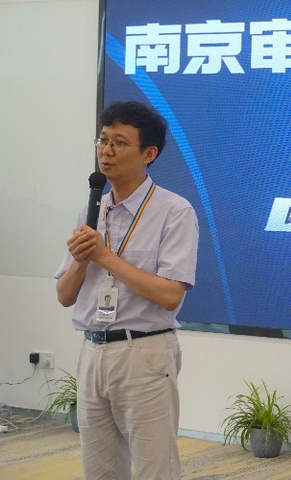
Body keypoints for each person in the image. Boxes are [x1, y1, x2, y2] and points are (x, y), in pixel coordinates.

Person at [55, 101, 198, 479]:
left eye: (119, 142)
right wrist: (81, 261)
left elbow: (171, 295)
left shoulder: (174, 211)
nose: (106, 150)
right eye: (102, 140)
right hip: (92, 350)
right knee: (100, 470)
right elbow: (65, 296)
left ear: (149, 153)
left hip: (144, 353)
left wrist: (104, 257)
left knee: (156, 468)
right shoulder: (92, 210)